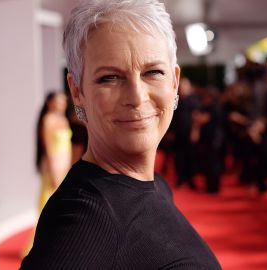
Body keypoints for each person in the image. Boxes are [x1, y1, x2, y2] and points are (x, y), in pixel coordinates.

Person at [20, 0, 221, 269]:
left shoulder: (154, 185)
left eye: (153, 72)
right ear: (77, 90)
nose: (136, 97)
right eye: (110, 78)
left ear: (174, 82)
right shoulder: (85, 220)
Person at [22, 91, 72, 256]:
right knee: (47, 204)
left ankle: (57, 243)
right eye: (58, 101)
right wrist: (53, 171)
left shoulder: (63, 119)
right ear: (50, 102)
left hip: (64, 168)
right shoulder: (48, 120)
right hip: (53, 169)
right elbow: (49, 148)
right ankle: (37, 246)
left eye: (63, 101)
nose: (62, 104)